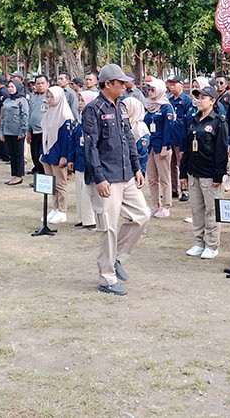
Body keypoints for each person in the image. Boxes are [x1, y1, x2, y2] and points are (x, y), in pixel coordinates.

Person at [82, 64, 149, 296]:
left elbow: (129, 138)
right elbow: (90, 147)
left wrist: (137, 166)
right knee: (108, 229)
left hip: (126, 175)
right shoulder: (93, 110)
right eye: (120, 82)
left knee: (142, 215)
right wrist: (99, 179)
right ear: (108, 84)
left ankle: (117, 258)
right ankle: (107, 279)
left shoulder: (121, 106)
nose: (125, 86)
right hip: (106, 179)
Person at [181, 84, 228, 260]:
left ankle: (212, 244)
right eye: (197, 97)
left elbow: (221, 150)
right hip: (194, 171)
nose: (199, 100)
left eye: (203, 97)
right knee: (196, 209)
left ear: (212, 101)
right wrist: (183, 172)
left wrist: (218, 174)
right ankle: (199, 242)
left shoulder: (218, 122)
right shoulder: (194, 119)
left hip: (210, 174)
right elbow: (187, 147)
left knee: (212, 210)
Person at [39, 85, 74, 222]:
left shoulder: (65, 116)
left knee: (60, 183)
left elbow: (67, 140)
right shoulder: (50, 113)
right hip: (48, 153)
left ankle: (62, 210)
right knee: (51, 183)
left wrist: (64, 156)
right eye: (47, 97)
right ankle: (55, 208)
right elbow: (45, 134)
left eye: (51, 97)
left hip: (58, 154)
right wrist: (43, 152)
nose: (49, 99)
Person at [143, 79, 176, 218]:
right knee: (152, 177)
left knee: (164, 177)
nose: (150, 92)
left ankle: (166, 204)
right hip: (150, 146)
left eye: (153, 90)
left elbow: (169, 128)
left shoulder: (166, 107)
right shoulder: (149, 106)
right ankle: (155, 203)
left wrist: (165, 146)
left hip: (161, 146)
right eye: (149, 90)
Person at [67, 90, 98, 229]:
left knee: (88, 193)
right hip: (79, 162)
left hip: (89, 163)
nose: (80, 103)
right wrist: (71, 159)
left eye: (83, 101)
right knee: (80, 193)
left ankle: (91, 220)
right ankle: (83, 218)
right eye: (79, 100)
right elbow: (73, 142)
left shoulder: (93, 120)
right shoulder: (79, 121)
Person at [166, 76, 192, 202]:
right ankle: (173, 189)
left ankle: (185, 190)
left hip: (181, 137)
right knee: (171, 164)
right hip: (170, 136)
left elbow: (188, 121)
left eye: (174, 84)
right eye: (170, 84)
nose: (171, 87)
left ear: (181, 85)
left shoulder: (187, 101)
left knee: (182, 164)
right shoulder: (169, 101)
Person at [0, 79, 29, 185]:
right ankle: (14, 175)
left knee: (19, 154)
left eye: (12, 87)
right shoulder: (7, 101)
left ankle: (19, 175)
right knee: (11, 155)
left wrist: (22, 132)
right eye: (9, 87)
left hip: (17, 132)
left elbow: (25, 117)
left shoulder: (22, 101)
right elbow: (3, 118)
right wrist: (1, 132)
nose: (10, 89)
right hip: (8, 132)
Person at [26, 74, 50, 176]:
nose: (40, 85)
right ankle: (38, 175)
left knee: (43, 156)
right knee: (35, 155)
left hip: (45, 132)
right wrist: (28, 130)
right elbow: (30, 114)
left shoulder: (50, 97)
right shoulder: (33, 98)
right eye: (38, 83)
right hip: (34, 131)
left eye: (42, 83)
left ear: (48, 84)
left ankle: (44, 177)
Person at [123, 96, 151, 175]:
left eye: (126, 110)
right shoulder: (126, 124)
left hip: (136, 171)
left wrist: (139, 172)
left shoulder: (140, 128)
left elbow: (142, 154)